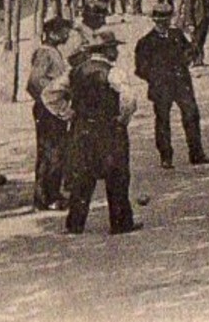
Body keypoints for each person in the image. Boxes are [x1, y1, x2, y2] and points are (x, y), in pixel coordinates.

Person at [63, 30, 143, 235]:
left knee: (82, 175)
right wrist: (122, 119)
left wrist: (68, 113)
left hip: (82, 129)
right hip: (108, 128)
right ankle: (120, 222)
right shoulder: (114, 72)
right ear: (107, 50)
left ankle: (75, 224)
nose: (116, 51)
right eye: (113, 47)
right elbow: (129, 99)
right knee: (116, 174)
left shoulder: (75, 71)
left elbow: (50, 94)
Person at [133, 4, 209, 169]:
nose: (163, 23)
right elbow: (140, 69)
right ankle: (166, 156)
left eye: (166, 19)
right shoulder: (146, 42)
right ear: (154, 20)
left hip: (181, 83)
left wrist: (192, 52)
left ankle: (196, 153)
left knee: (191, 115)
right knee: (163, 120)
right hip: (161, 87)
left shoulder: (177, 35)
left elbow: (189, 52)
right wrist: (156, 78)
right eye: (159, 20)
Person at [26, 18, 74, 211]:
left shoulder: (54, 52)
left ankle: (50, 195)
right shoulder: (45, 53)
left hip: (53, 107)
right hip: (48, 109)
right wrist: (51, 98)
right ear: (52, 33)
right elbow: (34, 82)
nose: (67, 35)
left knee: (57, 151)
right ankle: (47, 197)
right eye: (63, 32)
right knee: (51, 152)